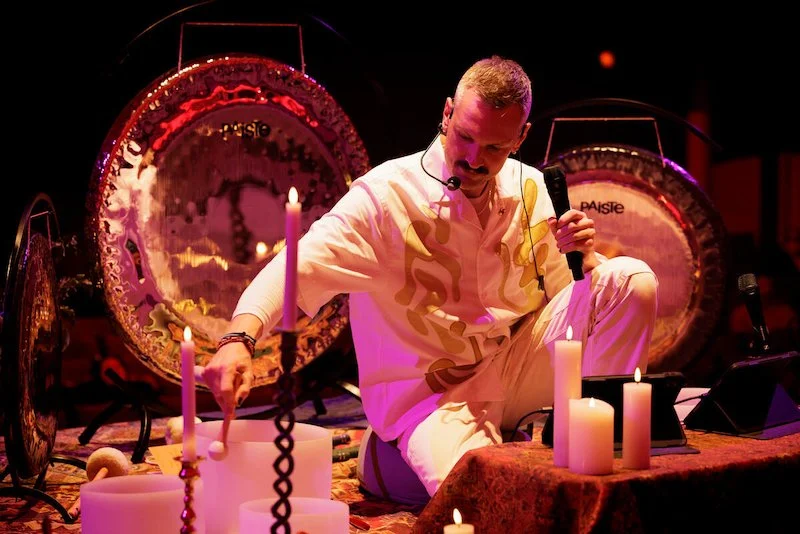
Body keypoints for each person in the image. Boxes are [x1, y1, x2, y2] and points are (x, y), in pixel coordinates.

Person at [200, 55, 658, 502]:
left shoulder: (531, 187)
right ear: (446, 113)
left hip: (515, 367)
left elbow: (574, 303)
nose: (475, 160)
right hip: (435, 400)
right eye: (466, 138)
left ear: (522, 136)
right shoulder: (386, 196)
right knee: (490, 499)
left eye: (495, 148)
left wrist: (589, 257)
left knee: (632, 279)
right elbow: (295, 267)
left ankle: (593, 437)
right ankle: (398, 456)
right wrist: (238, 338)